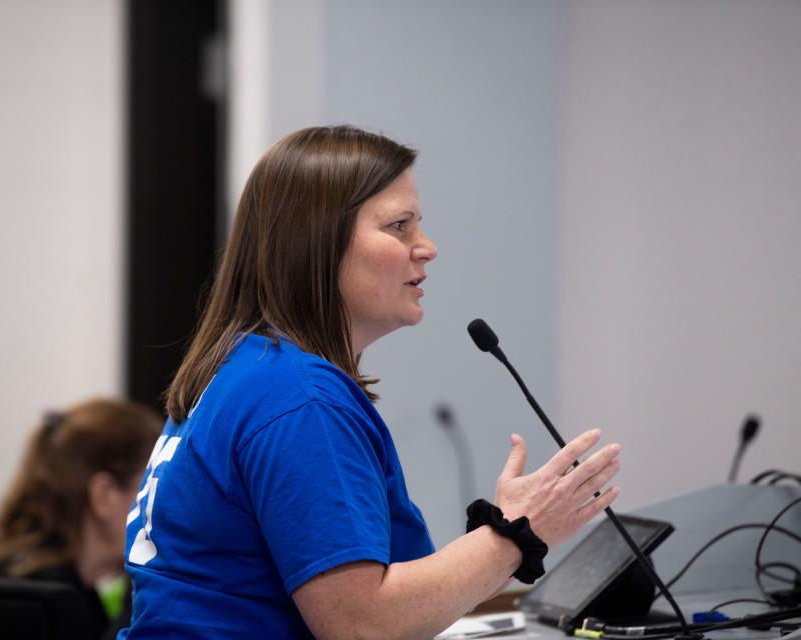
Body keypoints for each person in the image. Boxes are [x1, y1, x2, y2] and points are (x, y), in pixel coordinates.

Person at [122, 125, 622, 638]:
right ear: (317, 240)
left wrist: (504, 537)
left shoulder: (245, 370)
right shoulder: (299, 397)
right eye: (399, 226)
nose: (427, 248)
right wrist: (519, 533)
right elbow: (361, 626)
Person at [0, 398, 164, 640]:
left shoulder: (8, 576)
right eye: (150, 491)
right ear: (104, 496)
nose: (161, 509)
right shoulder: (51, 606)